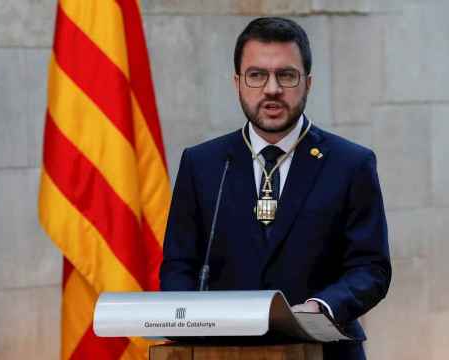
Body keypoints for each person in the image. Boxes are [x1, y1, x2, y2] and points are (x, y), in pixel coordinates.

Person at [159, 17, 391, 360]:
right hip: (222, 353)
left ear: (308, 83)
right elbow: (179, 264)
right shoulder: (203, 164)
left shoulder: (350, 164)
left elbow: (371, 268)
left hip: (324, 352)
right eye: (256, 75)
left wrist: (320, 308)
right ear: (237, 82)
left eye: (286, 75)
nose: (271, 89)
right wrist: (180, 325)